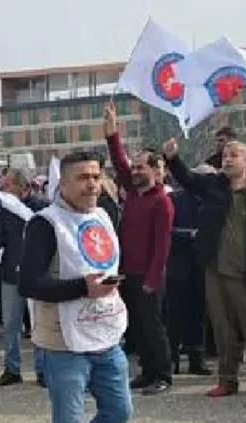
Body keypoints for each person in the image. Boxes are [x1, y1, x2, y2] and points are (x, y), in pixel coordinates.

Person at [19, 151, 132, 423]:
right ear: (63, 184)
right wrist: (81, 288)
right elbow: (30, 284)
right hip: (62, 339)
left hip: (104, 332)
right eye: (83, 177)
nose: (92, 184)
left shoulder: (103, 215)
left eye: (97, 176)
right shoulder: (44, 225)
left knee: (118, 411)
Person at [165, 137, 246, 401]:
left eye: (233, 155)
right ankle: (227, 379)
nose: (227, 160)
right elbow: (188, 180)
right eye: (224, 156)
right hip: (216, 270)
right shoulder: (213, 188)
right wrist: (173, 158)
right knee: (222, 327)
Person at [104, 101, 174, 395]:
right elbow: (119, 163)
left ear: (156, 171)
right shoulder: (133, 192)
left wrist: (152, 280)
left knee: (153, 326)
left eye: (141, 166)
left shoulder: (162, 202)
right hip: (128, 273)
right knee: (138, 327)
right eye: (135, 166)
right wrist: (112, 133)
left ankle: (163, 374)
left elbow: (162, 246)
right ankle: (147, 370)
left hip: (148, 276)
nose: (134, 170)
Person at [0, 170, 49, 387]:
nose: (3, 190)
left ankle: (43, 369)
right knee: (11, 324)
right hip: (10, 273)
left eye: (6, 185)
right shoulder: (5, 209)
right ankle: (12, 368)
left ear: (20, 186)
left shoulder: (41, 206)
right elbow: (0, 239)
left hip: (36, 274)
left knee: (38, 324)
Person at [165, 166, 213, 376]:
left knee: (199, 313)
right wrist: (190, 235)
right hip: (179, 263)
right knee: (174, 313)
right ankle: (172, 357)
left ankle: (197, 358)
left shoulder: (213, 200)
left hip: (203, 265)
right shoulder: (175, 199)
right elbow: (167, 230)